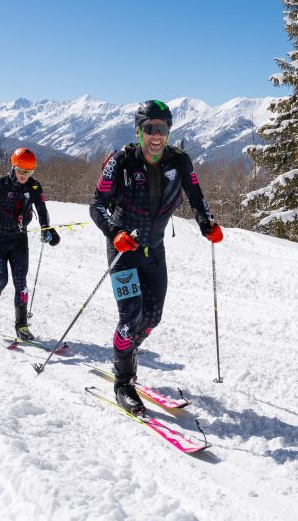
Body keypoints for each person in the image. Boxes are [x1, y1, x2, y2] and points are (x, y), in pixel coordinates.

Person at [90, 99, 223, 415]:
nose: (156, 135)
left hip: (155, 252)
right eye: (149, 128)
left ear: (168, 132)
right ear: (139, 131)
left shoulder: (180, 161)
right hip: (123, 250)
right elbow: (96, 205)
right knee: (130, 316)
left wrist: (207, 223)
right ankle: (124, 383)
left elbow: (197, 197)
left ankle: (125, 352)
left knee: (152, 318)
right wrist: (114, 233)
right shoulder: (120, 161)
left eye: (161, 129)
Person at [0, 147, 60, 341]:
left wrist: (46, 228)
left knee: (21, 285)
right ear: (13, 167)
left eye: (29, 172)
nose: (24, 176)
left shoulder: (34, 187)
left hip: (19, 240)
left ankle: (21, 326)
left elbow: (42, 210)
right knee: (0, 281)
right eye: (21, 171)